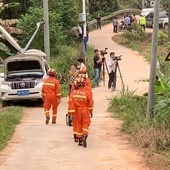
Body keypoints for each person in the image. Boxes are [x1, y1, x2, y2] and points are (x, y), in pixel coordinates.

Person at [67, 76, 93, 148]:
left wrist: (70, 113)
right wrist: (90, 111)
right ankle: (84, 135)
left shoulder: (73, 93)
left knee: (78, 124)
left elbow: (71, 104)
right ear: (84, 84)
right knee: (86, 123)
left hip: (76, 111)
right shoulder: (87, 93)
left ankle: (80, 141)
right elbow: (90, 103)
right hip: (85, 110)